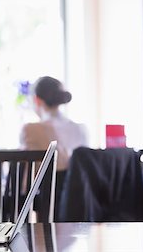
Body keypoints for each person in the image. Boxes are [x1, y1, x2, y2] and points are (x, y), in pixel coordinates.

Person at [19, 76, 88, 216]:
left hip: (51, 210)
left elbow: (25, 181)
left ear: (36, 100)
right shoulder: (81, 128)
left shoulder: (32, 130)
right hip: (84, 207)